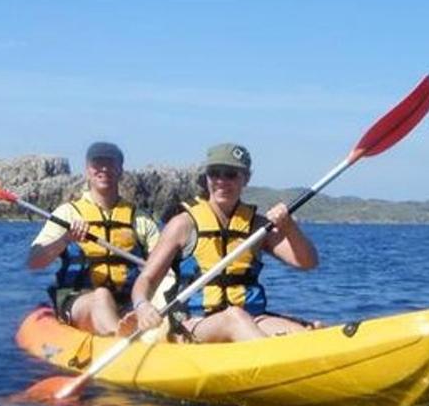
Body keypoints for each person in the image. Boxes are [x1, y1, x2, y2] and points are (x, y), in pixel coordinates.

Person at [129, 143, 318, 342]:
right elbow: (146, 279)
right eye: (214, 173)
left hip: (253, 318)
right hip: (195, 323)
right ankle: (270, 361)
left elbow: (308, 262)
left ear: (246, 178)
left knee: (303, 333)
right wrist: (142, 306)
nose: (221, 181)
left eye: (230, 174)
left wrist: (290, 227)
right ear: (207, 178)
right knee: (234, 318)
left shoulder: (257, 226)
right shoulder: (183, 224)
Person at [27, 142, 160, 336]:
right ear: (88, 170)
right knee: (102, 296)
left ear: (120, 170)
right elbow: (34, 262)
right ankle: (119, 336)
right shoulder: (68, 213)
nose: (104, 169)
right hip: (79, 298)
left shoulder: (140, 219)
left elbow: (163, 261)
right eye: (97, 163)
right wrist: (65, 239)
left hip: (127, 299)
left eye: (110, 163)